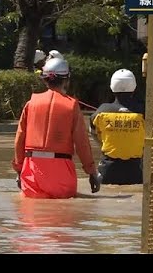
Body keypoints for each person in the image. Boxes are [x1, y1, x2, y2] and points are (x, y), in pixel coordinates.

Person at [12, 57, 100, 198]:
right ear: (66, 80)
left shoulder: (31, 103)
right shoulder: (72, 106)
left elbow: (19, 139)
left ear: (44, 79)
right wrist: (91, 172)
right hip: (62, 174)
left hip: (32, 171)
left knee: (32, 215)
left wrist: (18, 169)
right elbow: (82, 143)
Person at [89, 69, 145, 185]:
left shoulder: (101, 111)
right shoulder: (143, 112)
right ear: (134, 88)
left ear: (112, 87)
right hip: (135, 171)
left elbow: (94, 133)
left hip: (108, 171)